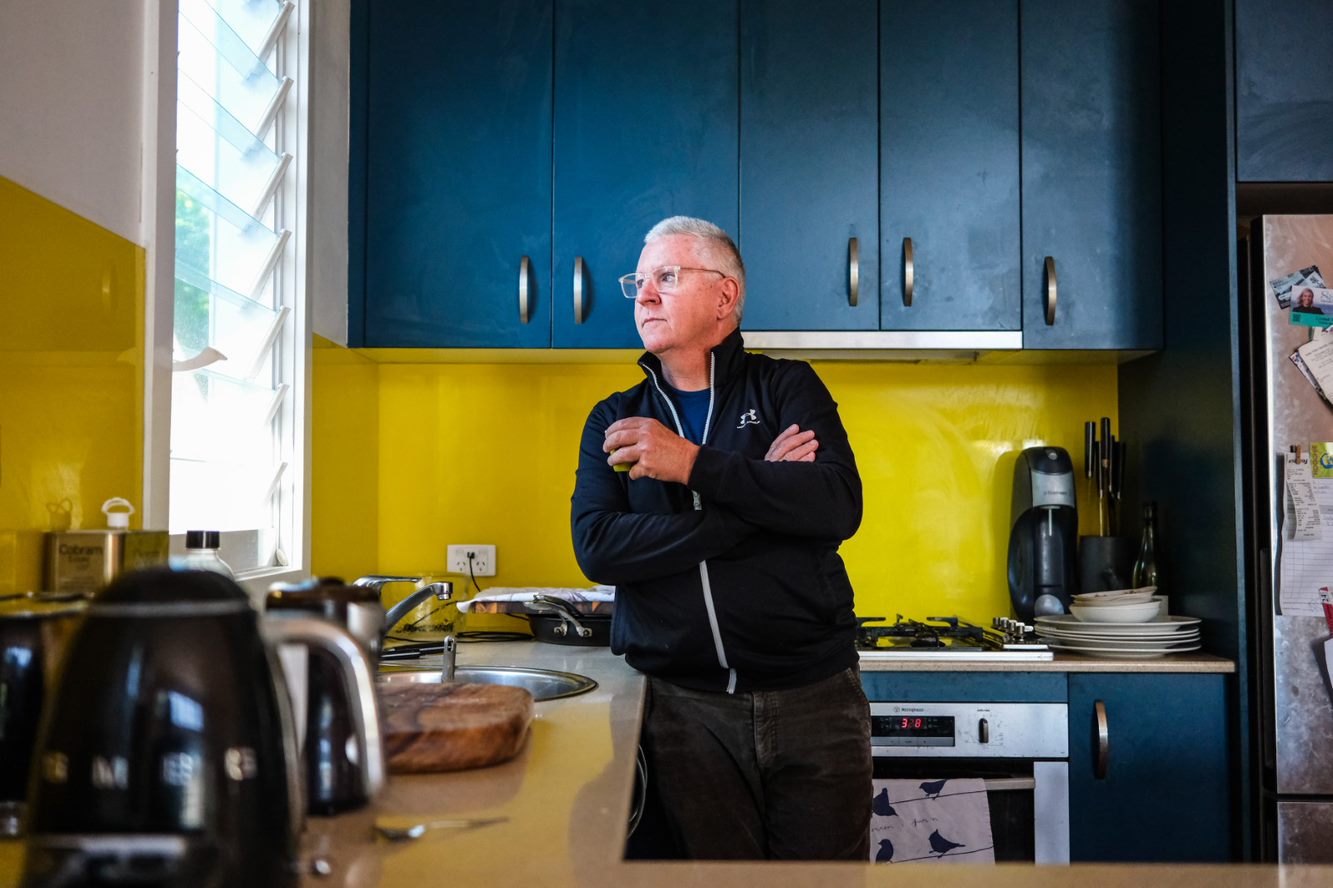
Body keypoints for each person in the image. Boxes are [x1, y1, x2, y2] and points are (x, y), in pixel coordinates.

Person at [570, 216, 871, 860]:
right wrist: (753, 505)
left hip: (815, 699)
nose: (644, 295)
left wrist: (692, 465)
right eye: (640, 281)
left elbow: (836, 506)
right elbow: (599, 547)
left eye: (667, 277)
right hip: (682, 713)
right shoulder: (616, 419)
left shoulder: (788, 387)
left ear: (724, 296)